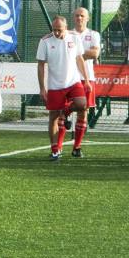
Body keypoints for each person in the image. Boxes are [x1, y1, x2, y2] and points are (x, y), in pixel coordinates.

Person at [37, 15, 91, 160]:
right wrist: (42, 88)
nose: (56, 33)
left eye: (59, 30)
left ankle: (65, 111)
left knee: (82, 104)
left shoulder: (75, 37)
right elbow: (41, 65)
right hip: (55, 85)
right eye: (54, 29)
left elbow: (79, 58)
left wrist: (86, 79)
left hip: (73, 82)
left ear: (66, 28)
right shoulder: (45, 41)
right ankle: (55, 149)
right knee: (53, 116)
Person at [67, 6, 100, 152]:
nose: (79, 18)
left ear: (88, 18)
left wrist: (75, 55)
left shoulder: (93, 34)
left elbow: (95, 54)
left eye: (82, 16)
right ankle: (57, 148)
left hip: (87, 77)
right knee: (62, 110)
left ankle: (77, 147)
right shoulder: (67, 34)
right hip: (69, 77)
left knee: (83, 111)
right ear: (73, 18)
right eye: (77, 15)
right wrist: (83, 54)